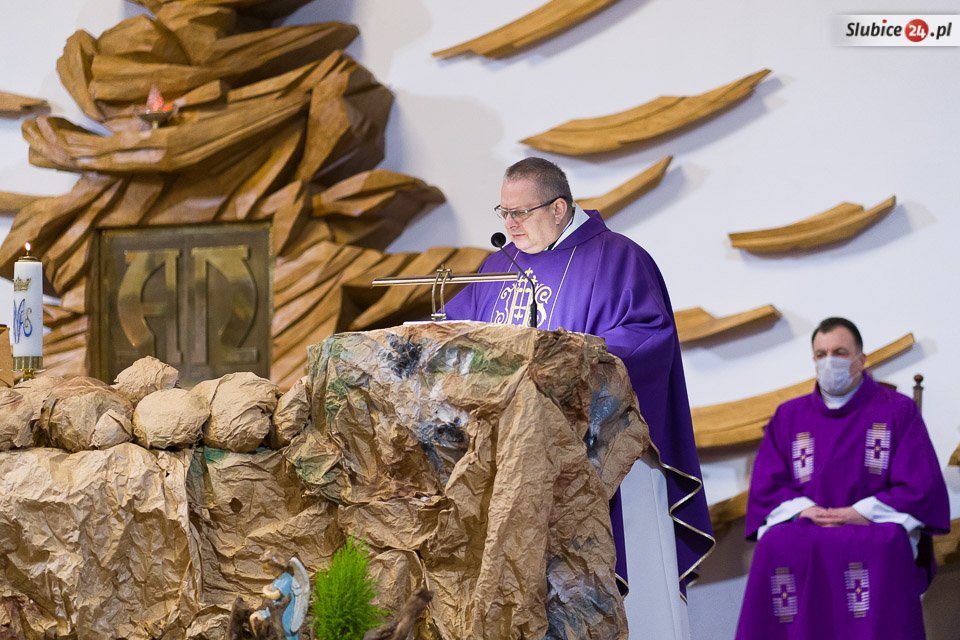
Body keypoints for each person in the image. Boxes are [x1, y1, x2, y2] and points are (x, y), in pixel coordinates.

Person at [444, 157, 714, 632]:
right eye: (503, 212)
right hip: (508, 465)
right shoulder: (498, 266)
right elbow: (452, 333)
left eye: (520, 212)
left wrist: (572, 358)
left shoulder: (619, 259)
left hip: (602, 456)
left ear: (559, 208)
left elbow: (649, 338)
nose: (509, 224)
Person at [735, 317, 949, 639]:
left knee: (890, 544)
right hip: (809, 523)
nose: (829, 361)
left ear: (861, 359)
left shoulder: (898, 410)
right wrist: (803, 509)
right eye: (821, 354)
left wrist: (860, 512)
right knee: (773, 544)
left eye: (839, 352)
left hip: (873, 525)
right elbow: (768, 485)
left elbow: (919, 485)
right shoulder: (789, 416)